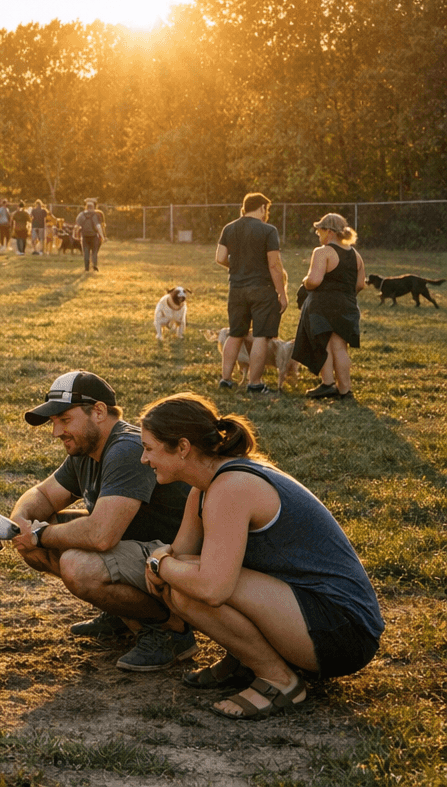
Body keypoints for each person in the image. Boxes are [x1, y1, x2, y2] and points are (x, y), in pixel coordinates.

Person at [139, 393, 383, 719]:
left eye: (149, 448)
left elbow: (211, 587)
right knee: (183, 578)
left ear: (182, 447)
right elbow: (180, 556)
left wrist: (160, 563)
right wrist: (164, 563)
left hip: (343, 632)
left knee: (189, 585)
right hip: (310, 615)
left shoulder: (231, 487)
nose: (143, 458)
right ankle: (247, 661)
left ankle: (280, 681)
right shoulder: (207, 486)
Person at [10, 371, 197, 672]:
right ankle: (124, 614)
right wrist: (21, 521)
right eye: (53, 422)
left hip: (178, 559)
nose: (56, 432)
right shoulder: (86, 448)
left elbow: (101, 536)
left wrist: (39, 535)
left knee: (76, 565)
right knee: (37, 534)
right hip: (140, 551)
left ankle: (171, 630)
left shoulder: (126, 449)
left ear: (98, 411)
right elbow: (43, 495)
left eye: (64, 420)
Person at [215, 193, 288, 395]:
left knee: (235, 333)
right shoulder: (268, 230)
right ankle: (255, 384)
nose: (267, 214)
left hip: (236, 289)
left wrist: (238, 266)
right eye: (267, 209)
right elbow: (274, 265)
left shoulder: (229, 228)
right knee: (261, 336)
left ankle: (226, 379)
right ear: (262, 207)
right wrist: (282, 294)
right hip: (262, 289)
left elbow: (220, 257)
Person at [293, 214, 365, 400]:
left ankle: (328, 384)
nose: (318, 235)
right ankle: (345, 391)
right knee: (340, 347)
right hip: (347, 305)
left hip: (323, 305)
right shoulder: (355, 255)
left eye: (320, 231)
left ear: (330, 232)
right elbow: (360, 284)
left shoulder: (322, 252)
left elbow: (315, 281)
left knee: (323, 343)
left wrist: (305, 282)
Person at [75, 198, 105, 271]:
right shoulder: (95, 215)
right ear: (93, 207)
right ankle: (94, 265)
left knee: (86, 252)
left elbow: (77, 226)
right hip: (94, 236)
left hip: (84, 236)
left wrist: (75, 235)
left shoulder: (81, 215)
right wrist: (102, 236)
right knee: (94, 252)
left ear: (86, 207)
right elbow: (98, 227)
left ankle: (86, 268)